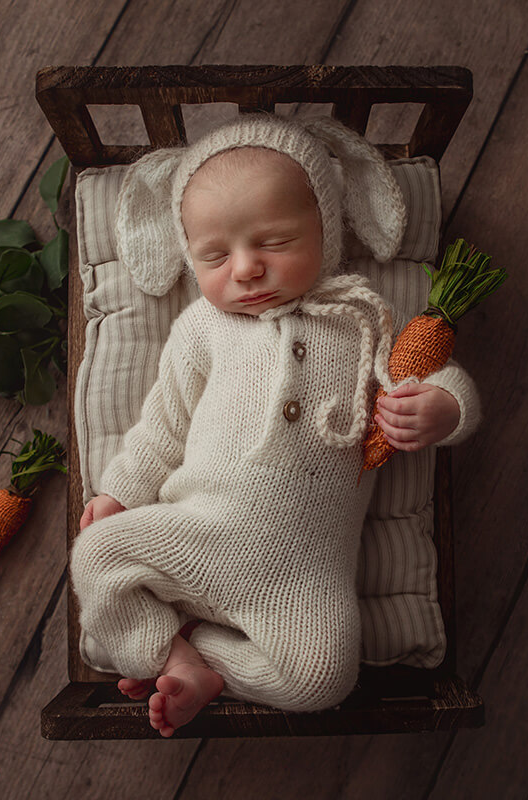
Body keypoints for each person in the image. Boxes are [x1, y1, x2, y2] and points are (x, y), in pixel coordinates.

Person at [70, 114, 481, 737]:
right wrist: (118, 492)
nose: (246, 268)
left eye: (275, 242)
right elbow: (162, 425)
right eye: (214, 255)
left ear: (325, 229)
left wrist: (442, 408)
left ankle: (200, 658)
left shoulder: (363, 320)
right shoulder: (202, 329)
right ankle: (167, 651)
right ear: (189, 257)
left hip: (305, 570)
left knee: (323, 681)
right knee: (96, 555)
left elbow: (438, 378)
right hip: (198, 531)